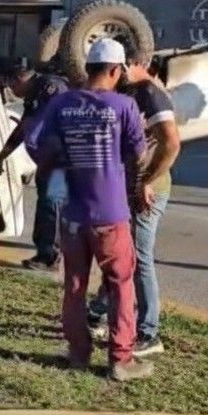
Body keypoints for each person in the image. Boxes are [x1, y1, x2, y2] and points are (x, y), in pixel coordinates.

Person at [27, 38, 151, 382]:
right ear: (114, 70)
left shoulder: (62, 103)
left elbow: (32, 138)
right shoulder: (123, 106)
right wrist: (137, 179)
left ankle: (79, 354)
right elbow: (139, 154)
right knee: (120, 284)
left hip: (72, 214)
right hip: (111, 213)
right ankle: (120, 360)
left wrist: (53, 165)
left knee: (75, 285)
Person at [88, 38, 181, 357]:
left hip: (150, 190)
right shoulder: (124, 92)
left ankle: (149, 333)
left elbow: (171, 143)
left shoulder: (150, 94)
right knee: (118, 254)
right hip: (123, 188)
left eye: (124, 65)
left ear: (137, 63)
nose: (119, 71)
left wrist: (147, 180)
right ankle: (98, 311)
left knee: (139, 258)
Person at [0, 67, 70, 270]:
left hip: (60, 160)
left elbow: (51, 121)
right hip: (48, 160)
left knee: (52, 205)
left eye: (11, 87)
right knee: (46, 204)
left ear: (19, 80)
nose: (11, 92)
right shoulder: (35, 92)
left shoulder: (51, 88)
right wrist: (3, 156)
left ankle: (50, 257)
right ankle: (45, 251)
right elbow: (23, 128)